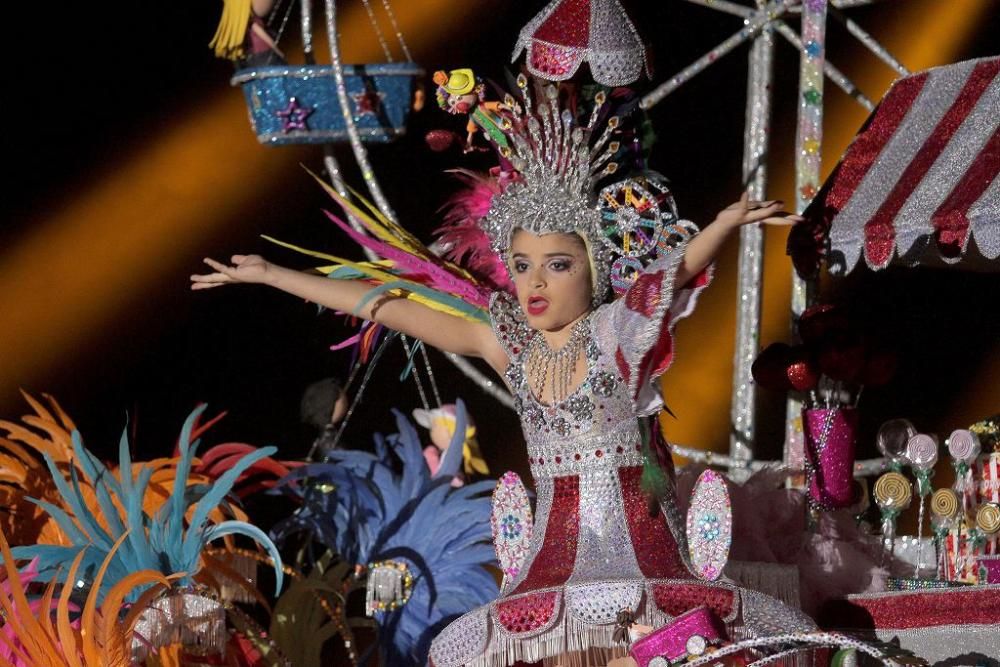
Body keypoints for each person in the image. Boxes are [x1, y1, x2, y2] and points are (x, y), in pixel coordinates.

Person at [191, 80, 811, 666]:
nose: (535, 282)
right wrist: (273, 276)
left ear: (593, 271)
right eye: (521, 264)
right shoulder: (507, 344)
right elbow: (386, 307)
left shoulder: (613, 333)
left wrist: (724, 225)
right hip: (545, 567)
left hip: (645, 559)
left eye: (558, 264)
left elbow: (667, 278)